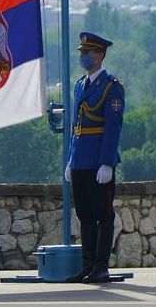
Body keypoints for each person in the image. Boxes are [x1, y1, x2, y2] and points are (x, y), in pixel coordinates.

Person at [64, 32, 125, 283]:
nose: (83, 57)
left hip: (99, 161)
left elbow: (113, 128)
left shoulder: (111, 87)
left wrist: (107, 163)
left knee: (103, 214)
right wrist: (70, 159)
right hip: (80, 160)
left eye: (87, 53)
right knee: (85, 215)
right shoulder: (81, 85)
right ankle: (87, 267)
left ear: (100, 55)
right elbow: (75, 126)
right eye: (81, 53)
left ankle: (101, 267)